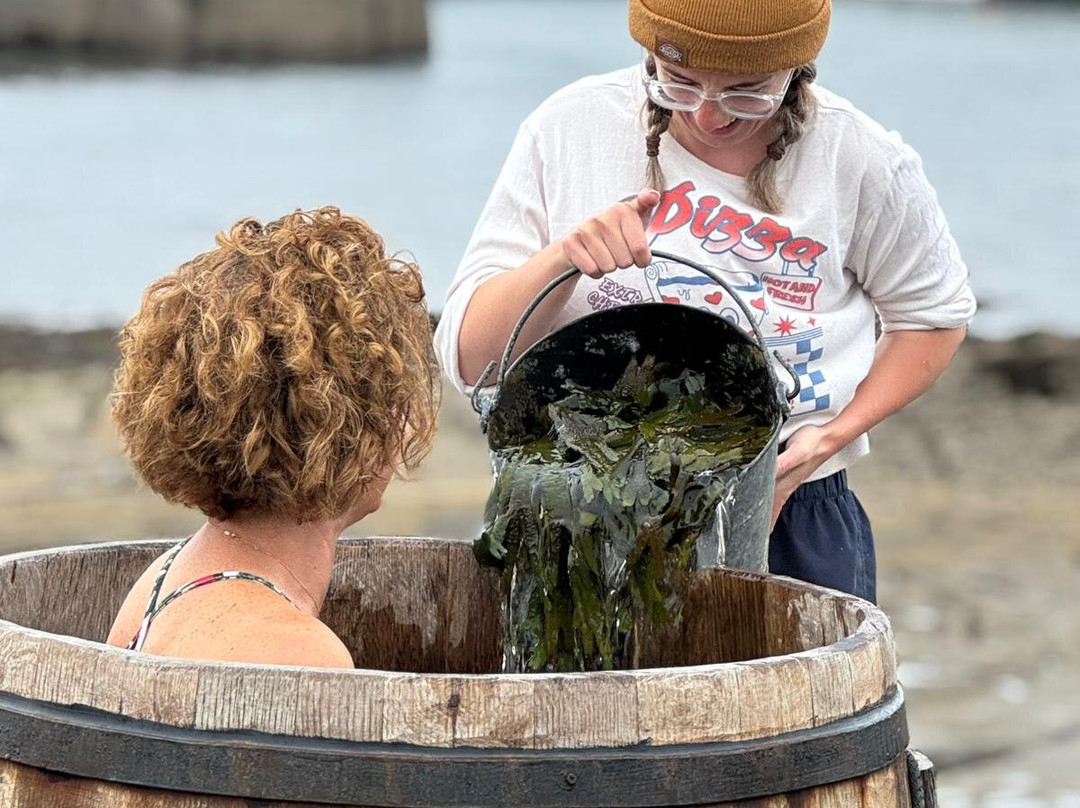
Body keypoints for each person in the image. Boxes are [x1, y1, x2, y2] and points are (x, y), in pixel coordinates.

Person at [433, 0, 976, 603]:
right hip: (577, 500)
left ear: (796, 69)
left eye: (748, 92)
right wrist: (563, 259)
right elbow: (468, 358)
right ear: (649, 54)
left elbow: (934, 318)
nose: (710, 116)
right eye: (680, 83)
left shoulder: (861, 158)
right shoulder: (569, 129)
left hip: (785, 504)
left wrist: (831, 437)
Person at [107, 207, 439, 666]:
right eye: (392, 394)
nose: (404, 419)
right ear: (349, 428)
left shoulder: (168, 576)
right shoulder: (294, 653)